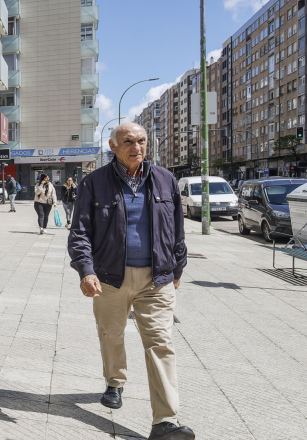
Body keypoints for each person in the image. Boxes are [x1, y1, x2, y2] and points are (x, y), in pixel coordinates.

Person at [67, 123, 194, 440]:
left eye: (141, 141)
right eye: (128, 141)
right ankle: (115, 380)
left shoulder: (165, 180)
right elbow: (80, 232)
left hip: (157, 279)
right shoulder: (94, 183)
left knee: (161, 343)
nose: (136, 146)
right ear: (113, 146)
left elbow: (177, 230)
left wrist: (177, 269)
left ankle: (165, 421)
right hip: (110, 277)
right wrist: (86, 270)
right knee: (111, 333)